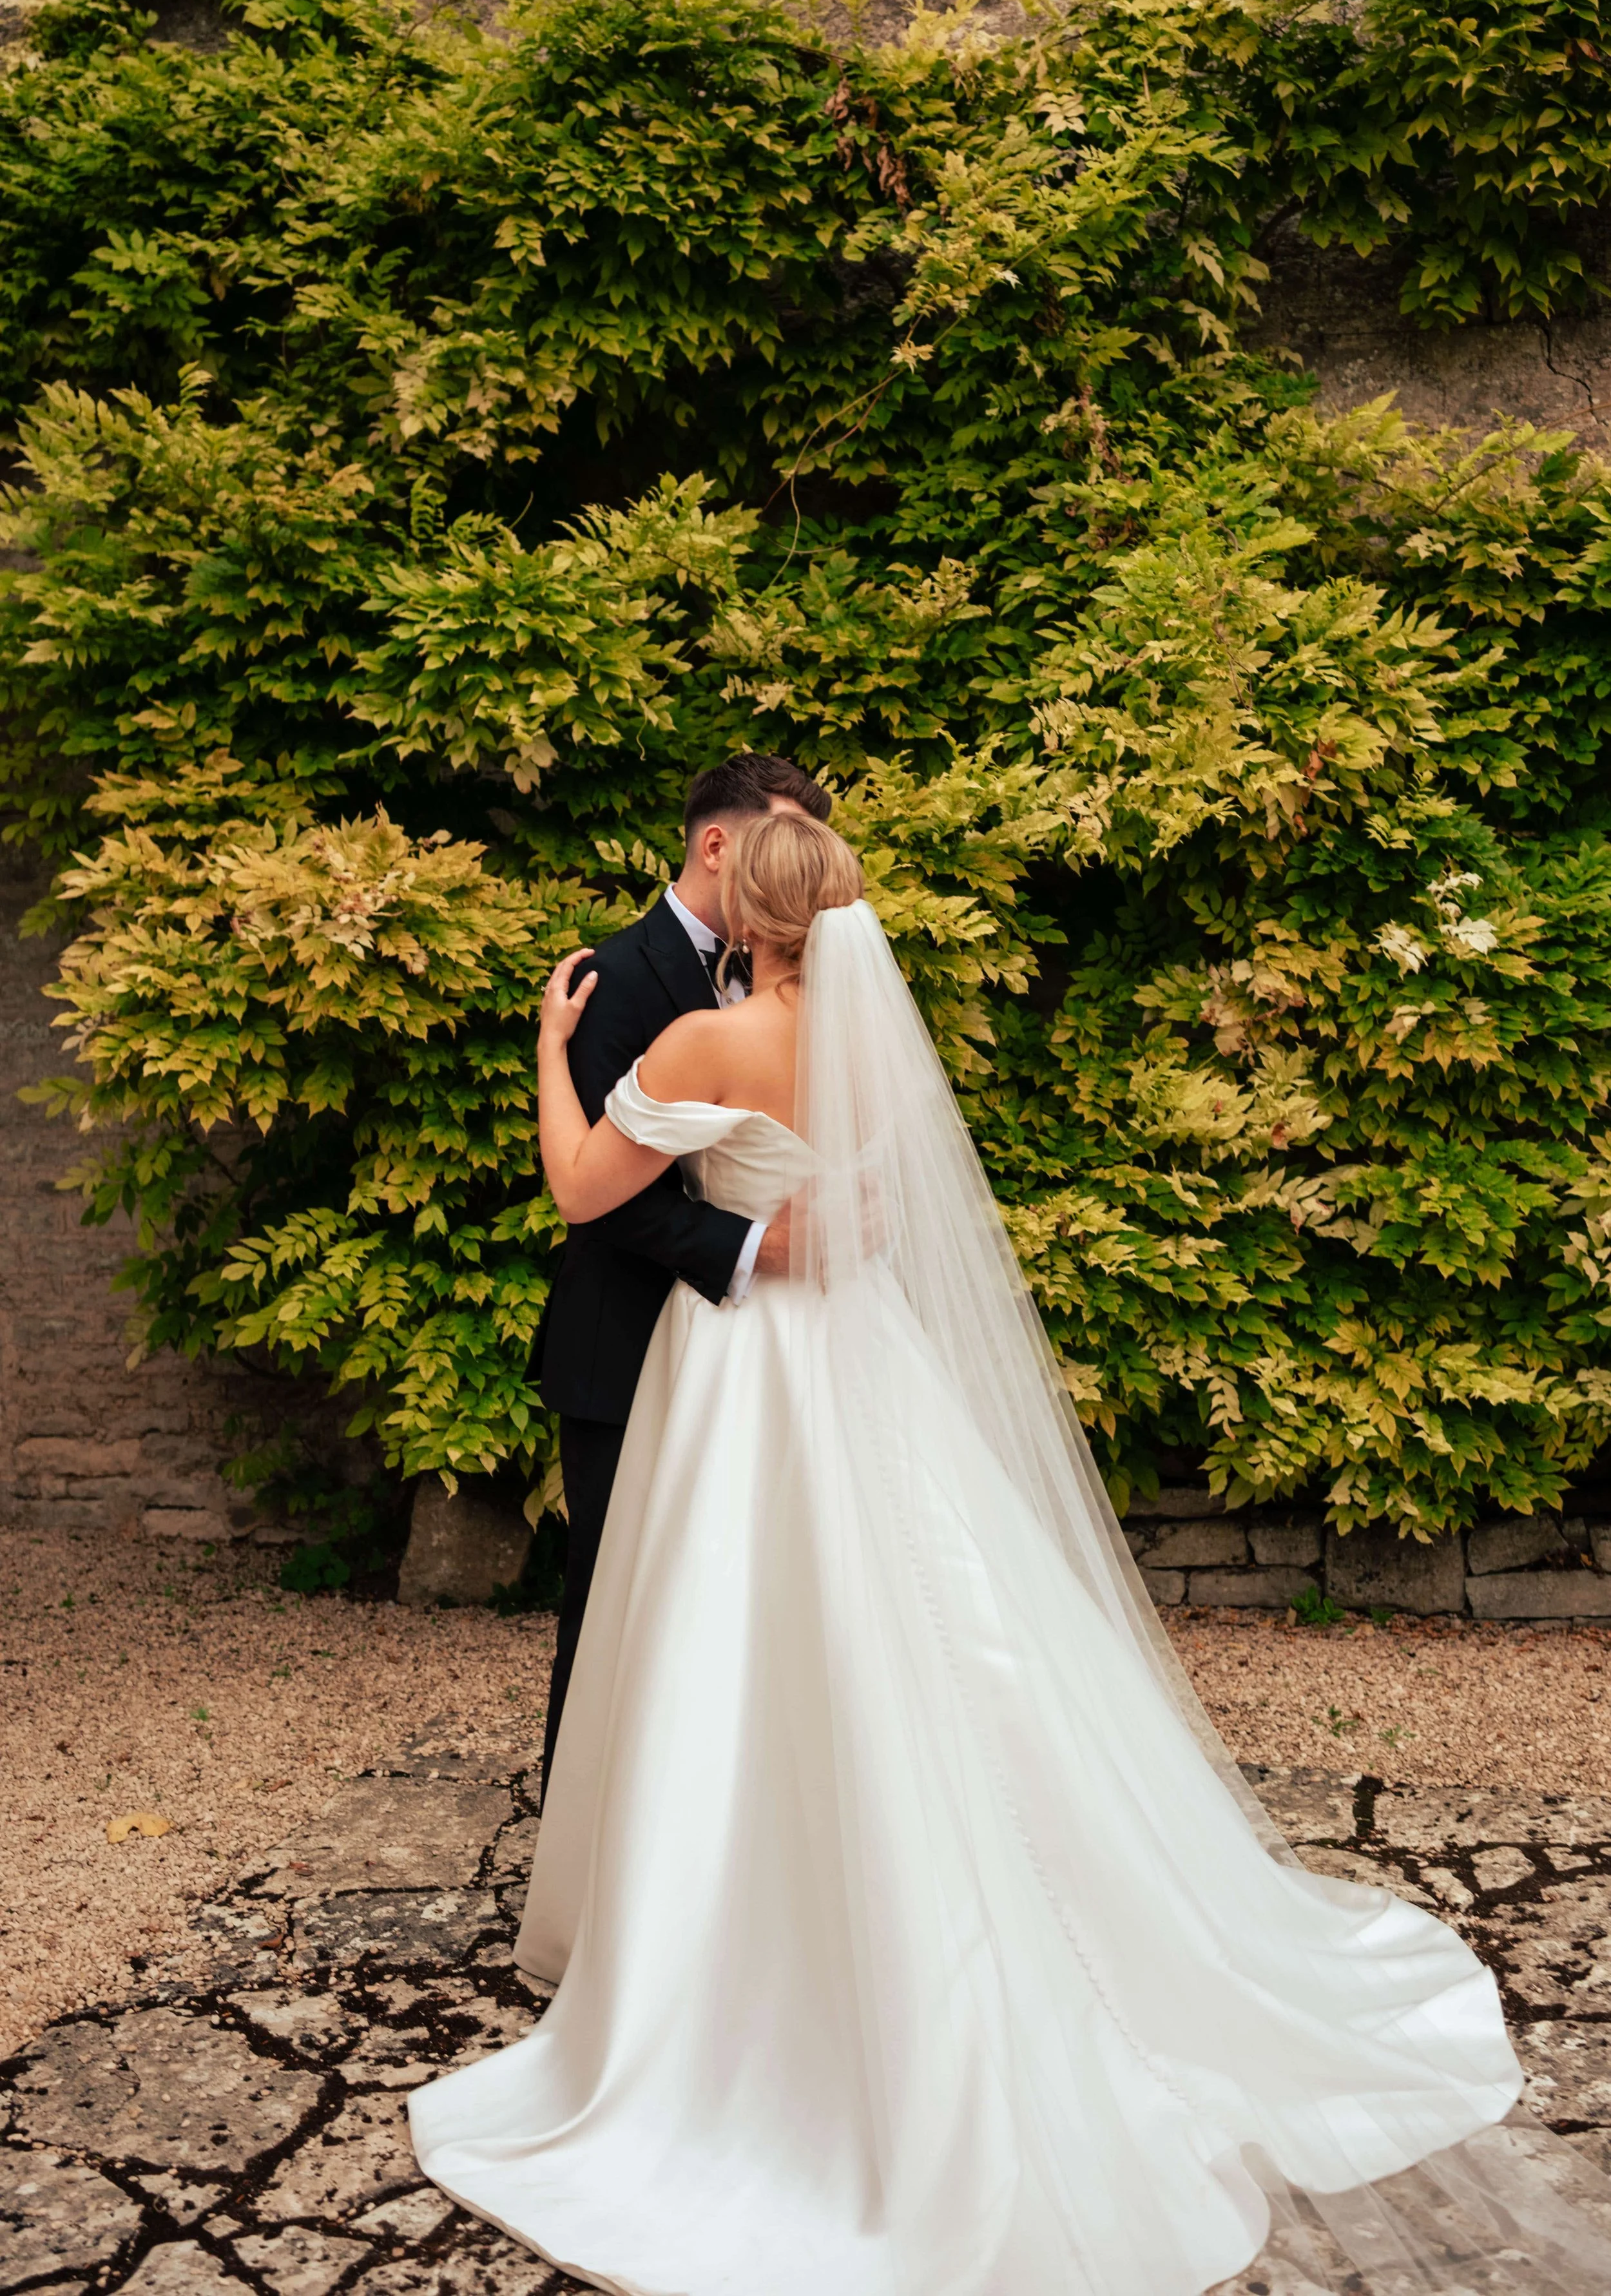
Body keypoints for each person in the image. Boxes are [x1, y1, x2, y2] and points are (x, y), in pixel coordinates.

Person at [412, 810, 1611, 2295]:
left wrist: (551, 1051)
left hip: (744, 1380)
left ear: (753, 921)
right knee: (925, 1623)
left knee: (736, 1641)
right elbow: (891, 1215)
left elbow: (581, 1192)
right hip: (864, 1357)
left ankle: (731, 1955)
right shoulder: (868, 1047)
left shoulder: (712, 1050)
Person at [533, 753, 831, 1797]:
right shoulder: (617, 977)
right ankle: (584, 1836)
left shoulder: (780, 1007)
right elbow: (614, 1204)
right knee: (614, 1598)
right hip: (628, 1342)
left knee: (764, 1609)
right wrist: (754, 1247)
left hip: (767, 1356)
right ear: (720, 843)